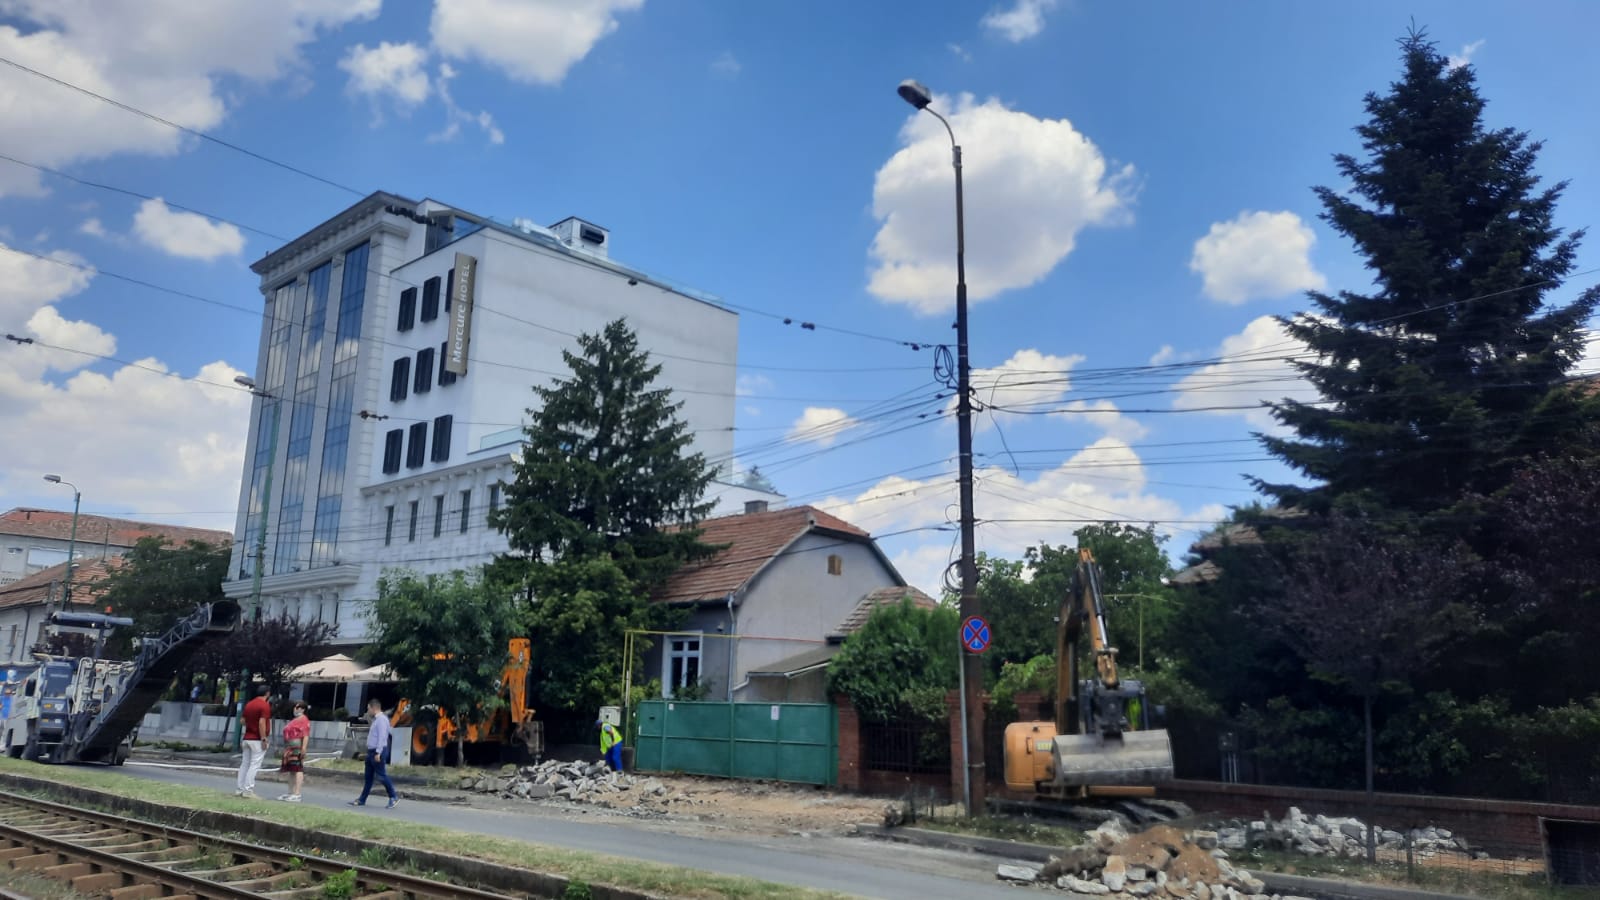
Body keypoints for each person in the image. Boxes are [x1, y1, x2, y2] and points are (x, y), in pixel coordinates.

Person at [349, 698, 398, 809]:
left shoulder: (381, 720)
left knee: (381, 776)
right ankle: (362, 799)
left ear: (374, 708)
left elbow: (382, 737)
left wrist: (378, 752)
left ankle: (393, 796)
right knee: (368, 777)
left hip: (377, 751)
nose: (368, 711)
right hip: (371, 751)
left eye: (368, 709)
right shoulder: (376, 720)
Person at [234, 686, 271, 799]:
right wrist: (263, 738)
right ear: (267, 693)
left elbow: (242, 720)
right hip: (257, 739)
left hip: (247, 737)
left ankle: (239, 789)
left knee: (245, 764)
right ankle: (248, 790)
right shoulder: (264, 705)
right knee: (254, 765)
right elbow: (262, 722)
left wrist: (250, 726)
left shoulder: (249, 704)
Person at [277, 702, 311, 802]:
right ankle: (290, 792)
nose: (295, 709)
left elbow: (305, 735)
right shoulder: (294, 720)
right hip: (289, 746)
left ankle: (297, 793)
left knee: (298, 769)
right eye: (295, 707)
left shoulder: (304, 720)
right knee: (292, 770)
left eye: (298, 707)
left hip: (297, 746)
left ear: (303, 709)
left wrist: (303, 748)